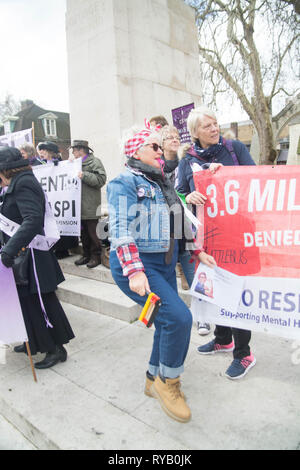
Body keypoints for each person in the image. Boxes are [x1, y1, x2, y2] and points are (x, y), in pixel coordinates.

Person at [107, 121, 216, 423]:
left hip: (165, 263)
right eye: (153, 146)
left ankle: (152, 378)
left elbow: (178, 223)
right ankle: (168, 383)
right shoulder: (124, 182)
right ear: (135, 151)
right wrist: (133, 271)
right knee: (180, 318)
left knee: (165, 322)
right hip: (141, 266)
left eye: (161, 145)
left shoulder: (162, 182)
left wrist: (197, 251)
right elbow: (119, 229)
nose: (160, 150)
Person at [176, 105, 256, 380]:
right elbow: (178, 193)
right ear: (195, 132)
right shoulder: (187, 159)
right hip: (208, 236)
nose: (214, 129)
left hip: (237, 232)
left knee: (235, 291)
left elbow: (256, 181)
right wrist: (189, 198)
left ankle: (244, 354)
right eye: (207, 125)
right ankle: (223, 339)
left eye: (215, 124)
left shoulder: (234, 149)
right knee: (216, 287)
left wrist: (228, 177)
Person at [0, 147, 75, 369]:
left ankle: (56, 349)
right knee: (25, 302)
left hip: (31, 255)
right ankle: (33, 340)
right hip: (22, 254)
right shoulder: (15, 183)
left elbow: (32, 220)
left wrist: (9, 250)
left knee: (41, 303)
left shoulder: (23, 183)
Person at [36, 141, 79, 259]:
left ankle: (63, 249)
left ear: (50, 152)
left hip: (61, 199)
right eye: (41, 151)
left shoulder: (61, 163)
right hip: (49, 201)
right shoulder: (41, 165)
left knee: (62, 224)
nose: (41, 153)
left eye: (44, 150)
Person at [71, 140, 107, 269]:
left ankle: (96, 256)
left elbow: (101, 180)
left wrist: (84, 175)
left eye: (74, 150)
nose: (73, 152)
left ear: (81, 150)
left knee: (93, 233)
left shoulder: (94, 162)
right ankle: (86, 255)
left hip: (90, 204)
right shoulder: (75, 163)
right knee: (83, 233)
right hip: (78, 205)